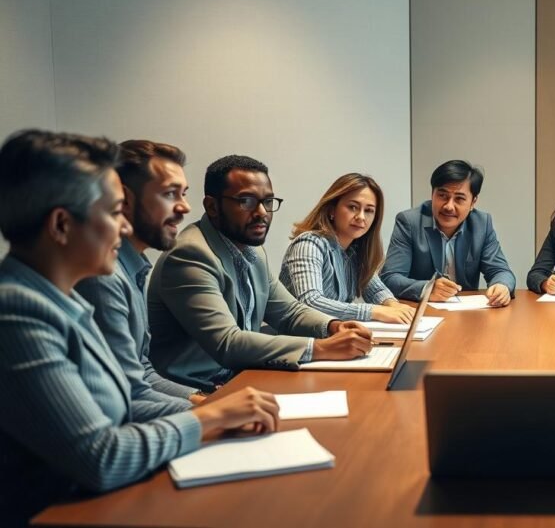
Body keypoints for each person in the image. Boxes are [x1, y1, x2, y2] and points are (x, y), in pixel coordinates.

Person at [0, 130, 279, 524]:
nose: (123, 227)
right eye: (114, 213)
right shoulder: (17, 311)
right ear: (62, 225)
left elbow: (129, 393)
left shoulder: (65, 299)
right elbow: (102, 457)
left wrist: (220, 410)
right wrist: (209, 417)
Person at [148, 155, 373, 391]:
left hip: (241, 377)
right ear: (212, 206)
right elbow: (228, 343)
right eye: (246, 201)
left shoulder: (253, 251)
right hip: (195, 391)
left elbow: (288, 312)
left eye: (268, 201)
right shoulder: (190, 255)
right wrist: (321, 348)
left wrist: (334, 326)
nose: (262, 213)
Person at [76, 140, 204, 409]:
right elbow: (127, 394)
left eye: (184, 193)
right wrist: (214, 413)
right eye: (170, 194)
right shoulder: (103, 278)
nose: (185, 207)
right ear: (122, 200)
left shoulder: (134, 266)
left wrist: (207, 401)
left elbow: (143, 371)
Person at [280, 173, 414, 323]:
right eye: (353, 207)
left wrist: (394, 306)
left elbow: (376, 290)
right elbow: (310, 302)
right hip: (299, 341)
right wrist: (375, 311)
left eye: (369, 210)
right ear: (331, 210)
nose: (361, 217)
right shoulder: (309, 244)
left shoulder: (354, 250)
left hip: (332, 336)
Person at [380, 160, 515, 306]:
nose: (449, 206)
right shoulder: (409, 222)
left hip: (467, 315)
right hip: (420, 312)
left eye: (459, 199)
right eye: (442, 196)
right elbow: (390, 277)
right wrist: (427, 289)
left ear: (473, 203)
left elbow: (501, 271)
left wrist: (502, 286)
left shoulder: (481, 224)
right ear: (432, 195)